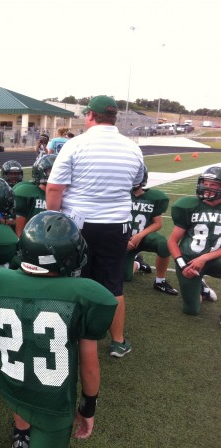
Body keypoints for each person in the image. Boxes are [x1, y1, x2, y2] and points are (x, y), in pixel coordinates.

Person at [0, 211, 118, 448]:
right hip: (52, 400)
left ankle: (21, 435)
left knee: (22, 404)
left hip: (12, 383)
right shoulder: (88, 294)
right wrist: (88, 406)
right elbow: (90, 365)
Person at [46, 95, 144, 358]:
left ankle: (69, 335)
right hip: (116, 224)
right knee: (113, 284)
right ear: (114, 117)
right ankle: (118, 341)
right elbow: (137, 184)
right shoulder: (132, 148)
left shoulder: (75, 145)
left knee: (73, 279)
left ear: (90, 115)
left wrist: (52, 219)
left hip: (79, 224)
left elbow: (55, 187)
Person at [168, 166, 221, 315]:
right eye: (205, 183)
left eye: (213, 184)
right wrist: (182, 265)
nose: (207, 187)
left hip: (215, 257)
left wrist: (204, 258)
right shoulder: (188, 205)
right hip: (188, 260)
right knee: (191, 310)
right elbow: (172, 241)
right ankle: (201, 286)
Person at [125, 166, 177, 295]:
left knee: (164, 245)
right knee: (124, 277)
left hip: (144, 237)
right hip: (124, 239)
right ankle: (138, 263)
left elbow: (158, 224)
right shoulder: (120, 195)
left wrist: (140, 235)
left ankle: (160, 281)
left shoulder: (154, 197)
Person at [14, 155, 56, 237]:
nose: (55, 175)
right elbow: (19, 232)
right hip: (33, 237)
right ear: (39, 173)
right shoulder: (26, 192)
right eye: (50, 171)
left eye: (58, 171)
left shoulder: (67, 194)